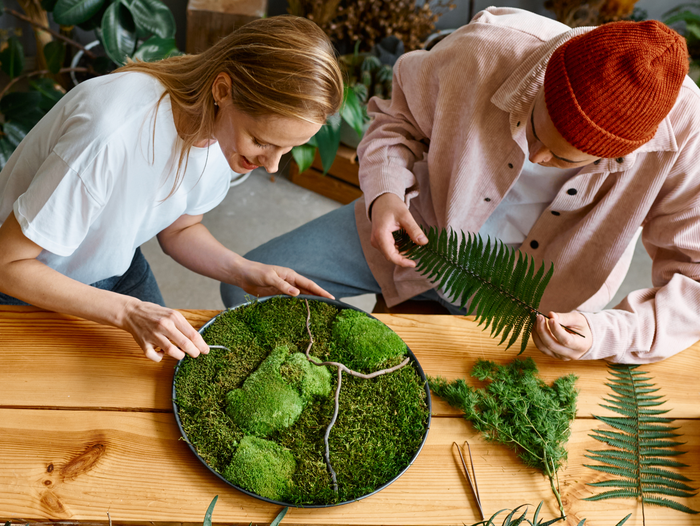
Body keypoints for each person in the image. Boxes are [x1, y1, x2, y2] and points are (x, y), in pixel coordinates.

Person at [221, 8, 700, 365]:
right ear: (545, 77)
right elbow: (396, 119)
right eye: (535, 131)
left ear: (621, 153)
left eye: (564, 159)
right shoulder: (486, 50)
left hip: (531, 310)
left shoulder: (686, 137)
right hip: (416, 232)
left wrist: (604, 333)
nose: (538, 158)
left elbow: (692, 284)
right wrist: (386, 194)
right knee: (243, 289)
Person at [0, 16, 342, 362]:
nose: (271, 165)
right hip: (27, 283)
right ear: (223, 90)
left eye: (286, 150)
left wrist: (245, 272)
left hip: (114, 267)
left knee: (170, 376)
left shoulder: (223, 134)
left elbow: (180, 228)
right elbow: (7, 264)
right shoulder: (109, 136)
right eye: (261, 142)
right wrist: (128, 312)